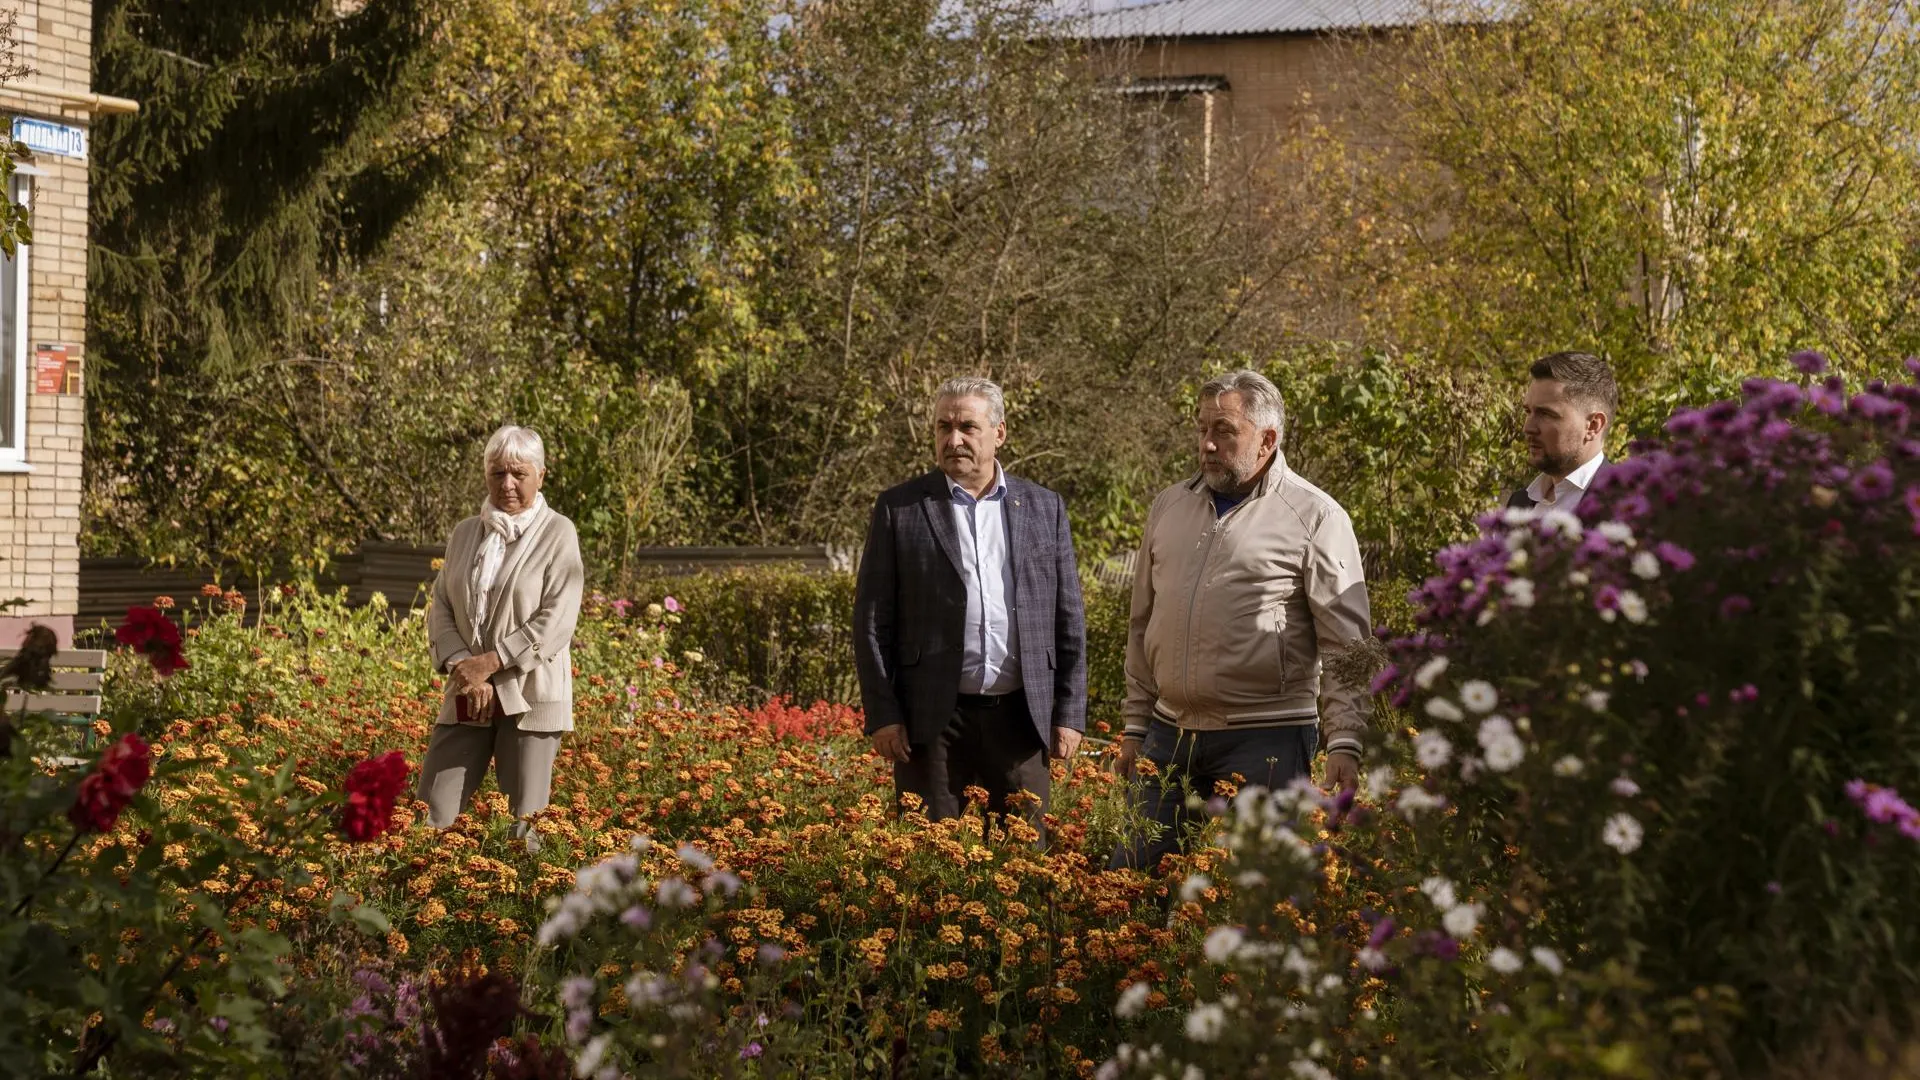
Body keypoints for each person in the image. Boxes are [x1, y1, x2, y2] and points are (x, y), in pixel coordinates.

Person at [1109, 369, 1371, 873]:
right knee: (1130, 885)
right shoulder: (1170, 505)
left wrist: (1345, 738)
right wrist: (1135, 724)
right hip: (1169, 734)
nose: (1207, 444)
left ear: (1267, 440)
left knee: (1259, 898)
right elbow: (1142, 622)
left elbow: (1348, 644)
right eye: (1202, 428)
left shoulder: (1316, 516)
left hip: (1267, 737)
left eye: (1224, 431)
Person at [853, 376, 1087, 832]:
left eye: (967, 427)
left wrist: (1070, 712)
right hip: (931, 724)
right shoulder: (901, 509)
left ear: (999, 433)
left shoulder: (1044, 507)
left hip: (1021, 718)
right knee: (926, 865)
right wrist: (884, 715)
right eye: (943, 427)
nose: (953, 439)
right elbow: (871, 620)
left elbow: (1068, 618)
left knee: (1025, 863)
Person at [419, 424, 585, 834]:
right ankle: (415, 895)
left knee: (525, 828)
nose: (507, 484)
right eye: (498, 473)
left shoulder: (558, 532)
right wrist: (465, 668)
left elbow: (556, 619)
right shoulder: (465, 533)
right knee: (430, 815)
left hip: (530, 695)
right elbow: (440, 606)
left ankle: (530, 899)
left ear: (540, 476)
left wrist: (491, 664)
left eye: (519, 474)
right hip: (468, 694)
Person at [1508, 351, 1618, 511]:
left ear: (1593, 425)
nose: (1528, 428)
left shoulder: (1625, 508)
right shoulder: (1519, 502)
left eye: (1545, 414)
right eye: (1528, 412)